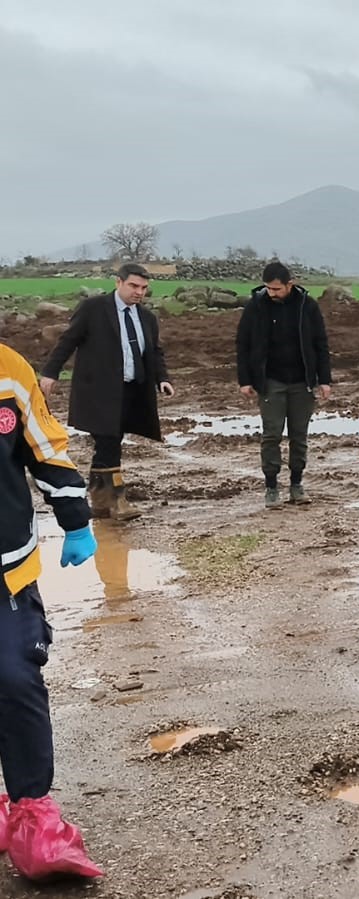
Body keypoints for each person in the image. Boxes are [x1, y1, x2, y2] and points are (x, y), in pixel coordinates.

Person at [0, 341, 104, 881]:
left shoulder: (8, 368)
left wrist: (75, 515)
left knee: (16, 678)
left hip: (5, 568)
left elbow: (43, 445)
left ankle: (34, 816)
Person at [39, 263, 175, 521]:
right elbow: (68, 340)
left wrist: (162, 379)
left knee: (108, 444)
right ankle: (118, 500)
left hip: (132, 391)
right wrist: (51, 372)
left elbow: (154, 352)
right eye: (134, 286)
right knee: (109, 442)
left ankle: (100, 502)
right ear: (119, 282)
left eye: (144, 288)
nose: (139, 292)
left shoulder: (146, 318)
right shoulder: (94, 309)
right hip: (98, 391)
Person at [236, 261, 333, 506]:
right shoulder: (256, 307)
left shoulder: (307, 306)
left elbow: (320, 344)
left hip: (303, 382)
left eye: (277, 289)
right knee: (271, 435)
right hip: (270, 382)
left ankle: (296, 485)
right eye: (268, 288)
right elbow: (242, 344)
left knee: (299, 436)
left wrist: (324, 380)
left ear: (290, 284)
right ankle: (271, 487)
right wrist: (245, 380)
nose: (272, 293)